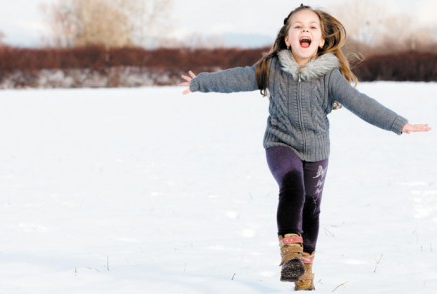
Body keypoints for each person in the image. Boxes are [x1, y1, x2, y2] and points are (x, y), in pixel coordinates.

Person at [180, 4, 431, 291]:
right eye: (298, 26)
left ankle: (304, 272)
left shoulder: (330, 77)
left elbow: (361, 104)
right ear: (287, 38)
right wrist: (202, 83)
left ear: (321, 41)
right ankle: (290, 254)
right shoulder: (272, 68)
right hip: (280, 144)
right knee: (293, 188)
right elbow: (236, 78)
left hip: (317, 152)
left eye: (312, 27)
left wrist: (398, 123)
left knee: (311, 208)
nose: (305, 31)